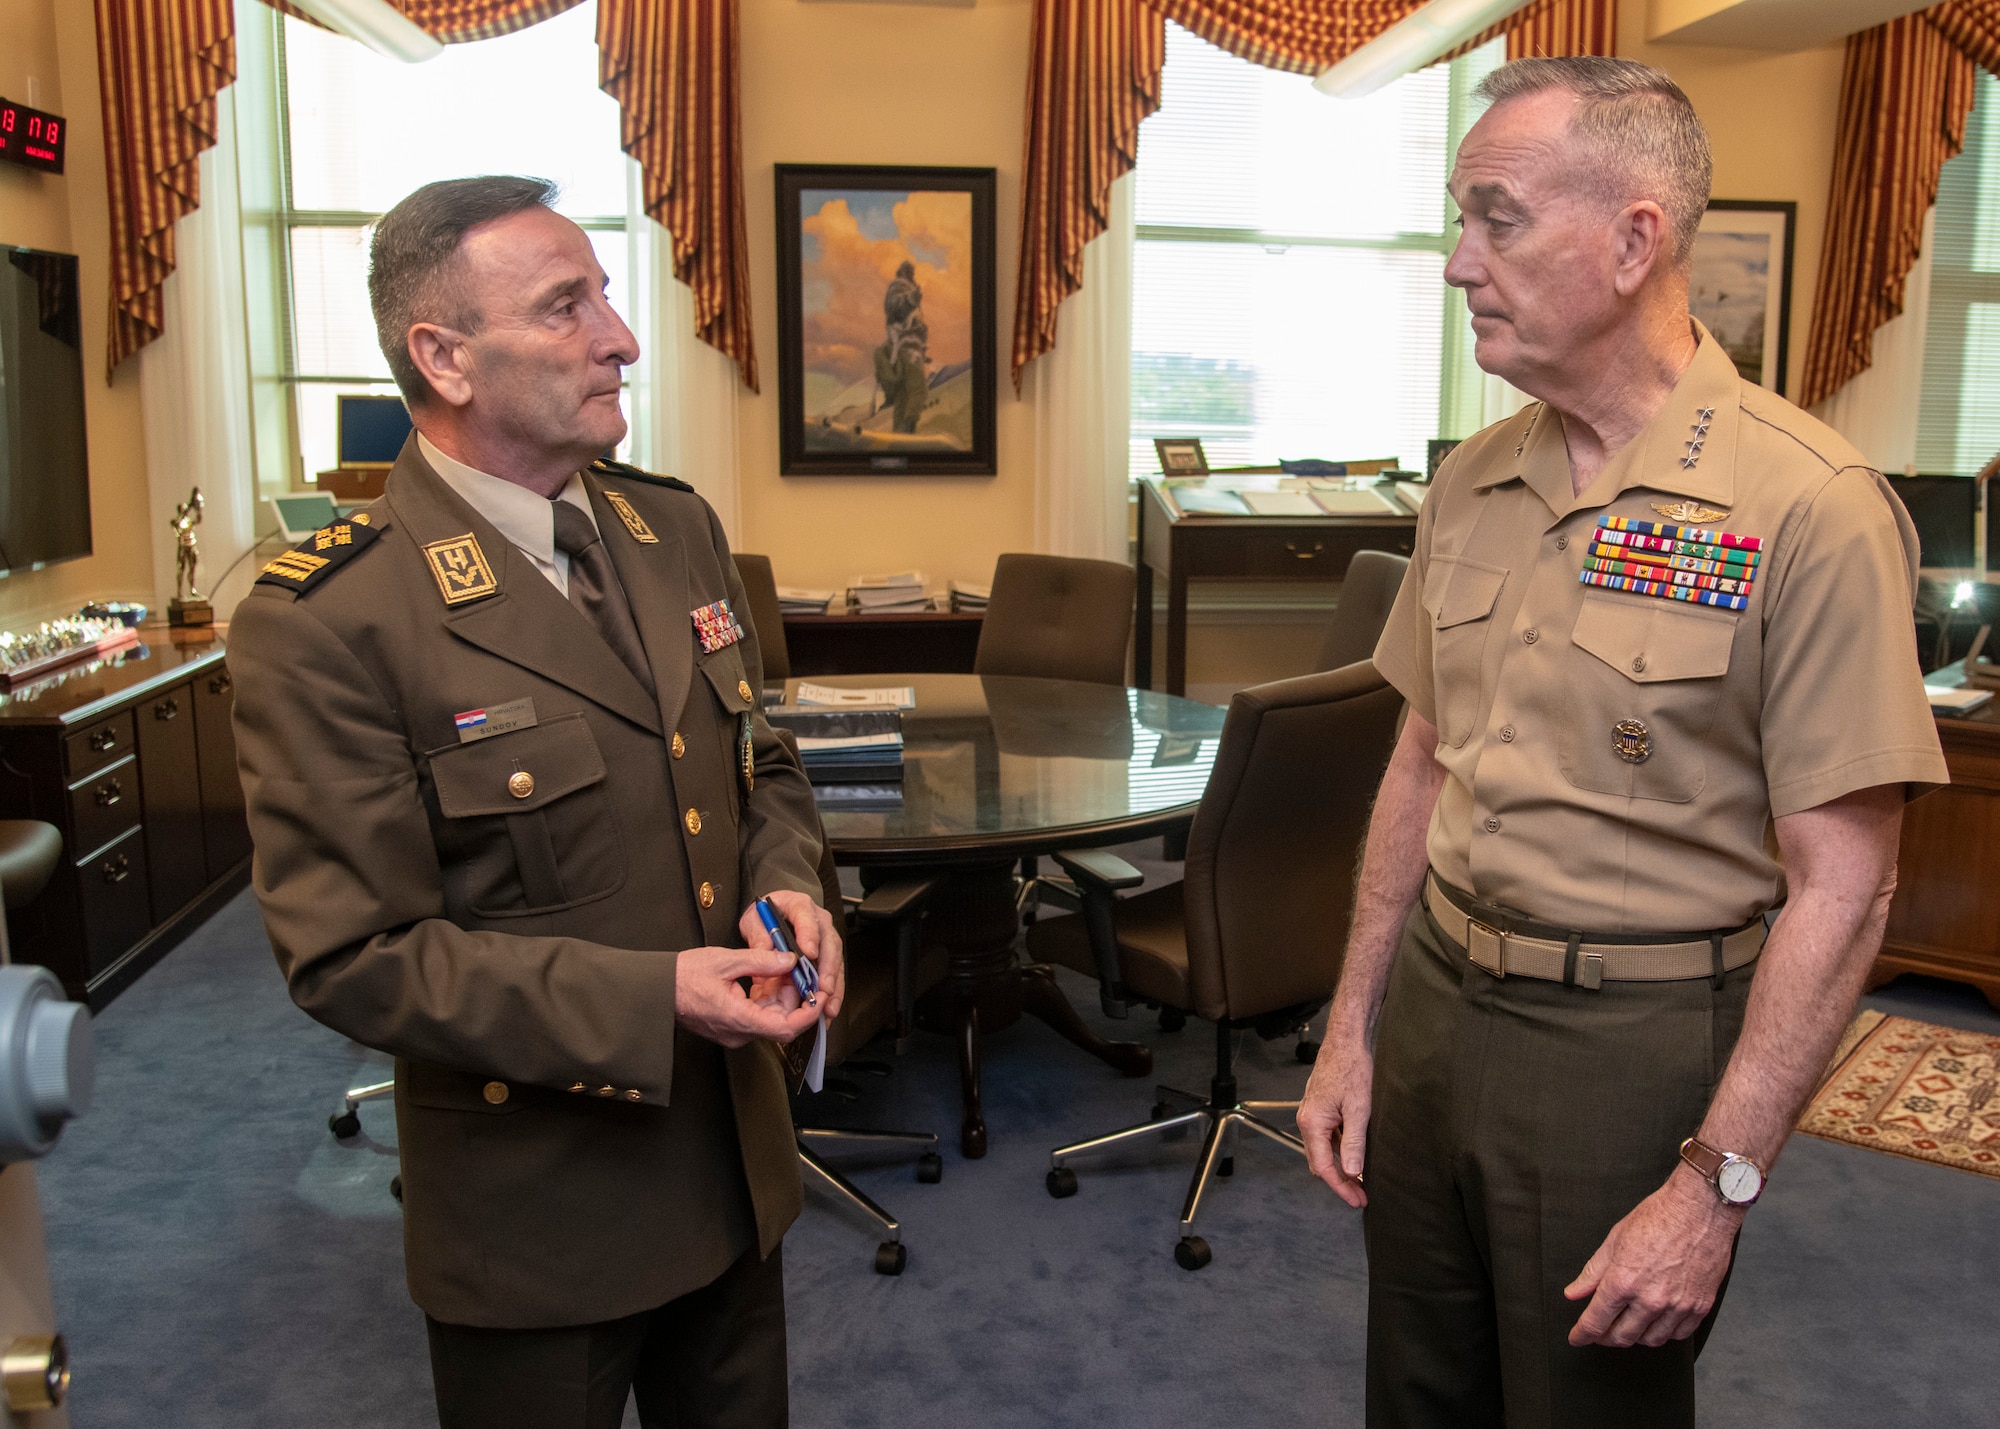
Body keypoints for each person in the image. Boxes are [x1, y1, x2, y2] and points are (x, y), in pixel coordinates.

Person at [1295, 58, 1948, 1428]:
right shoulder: (1476, 475)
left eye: (1499, 218)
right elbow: (1424, 760)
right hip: (1433, 1002)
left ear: (1636, 237)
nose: (1463, 263)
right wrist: (1352, 1025)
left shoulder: (1810, 505)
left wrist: (1716, 1186)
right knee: (1417, 1390)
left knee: (1588, 1408)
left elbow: (1849, 885)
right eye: (1459, 222)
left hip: (1629, 1041)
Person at [228, 175, 839, 1429]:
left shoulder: (673, 529)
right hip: (540, 1217)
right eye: (567, 307)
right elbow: (354, 957)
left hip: (730, 1171)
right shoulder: (333, 619)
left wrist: (787, 886)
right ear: (443, 358)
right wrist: (651, 995)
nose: (618, 336)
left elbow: (758, 765)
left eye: (604, 296)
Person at [873, 259, 929, 433]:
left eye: (912, 271)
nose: (912, 274)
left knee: (905, 395)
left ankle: (901, 434)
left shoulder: (908, 290)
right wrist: (910, 299)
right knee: (917, 388)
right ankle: (906, 428)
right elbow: (894, 306)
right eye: (908, 271)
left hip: (910, 345)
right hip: (906, 345)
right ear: (903, 272)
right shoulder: (899, 286)